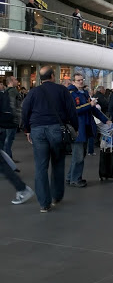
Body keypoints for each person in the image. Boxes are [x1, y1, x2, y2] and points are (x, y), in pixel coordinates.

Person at [21, 66, 79, 212]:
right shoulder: (62, 90)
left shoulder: (33, 92)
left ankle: (43, 204)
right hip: (56, 129)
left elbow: (25, 111)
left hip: (37, 130)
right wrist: (75, 128)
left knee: (40, 167)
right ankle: (56, 197)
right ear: (53, 75)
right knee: (58, 163)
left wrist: (27, 130)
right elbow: (71, 110)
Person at [67, 73, 110, 187]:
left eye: (82, 79)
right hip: (77, 128)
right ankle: (75, 179)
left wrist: (105, 120)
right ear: (73, 82)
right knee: (79, 155)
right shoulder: (70, 94)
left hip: (86, 126)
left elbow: (93, 109)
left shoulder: (84, 93)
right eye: (78, 80)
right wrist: (89, 105)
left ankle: (70, 177)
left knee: (80, 154)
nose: (81, 82)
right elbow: (74, 110)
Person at [0, 76, 22, 162]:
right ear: (12, 81)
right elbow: (13, 106)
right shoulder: (13, 91)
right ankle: (8, 160)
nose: (17, 81)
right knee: (8, 140)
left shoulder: (4, 91)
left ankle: (7, 158)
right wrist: (17, 118)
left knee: (5, 139)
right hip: (11, 120)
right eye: (16, 79)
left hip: (3, 119)